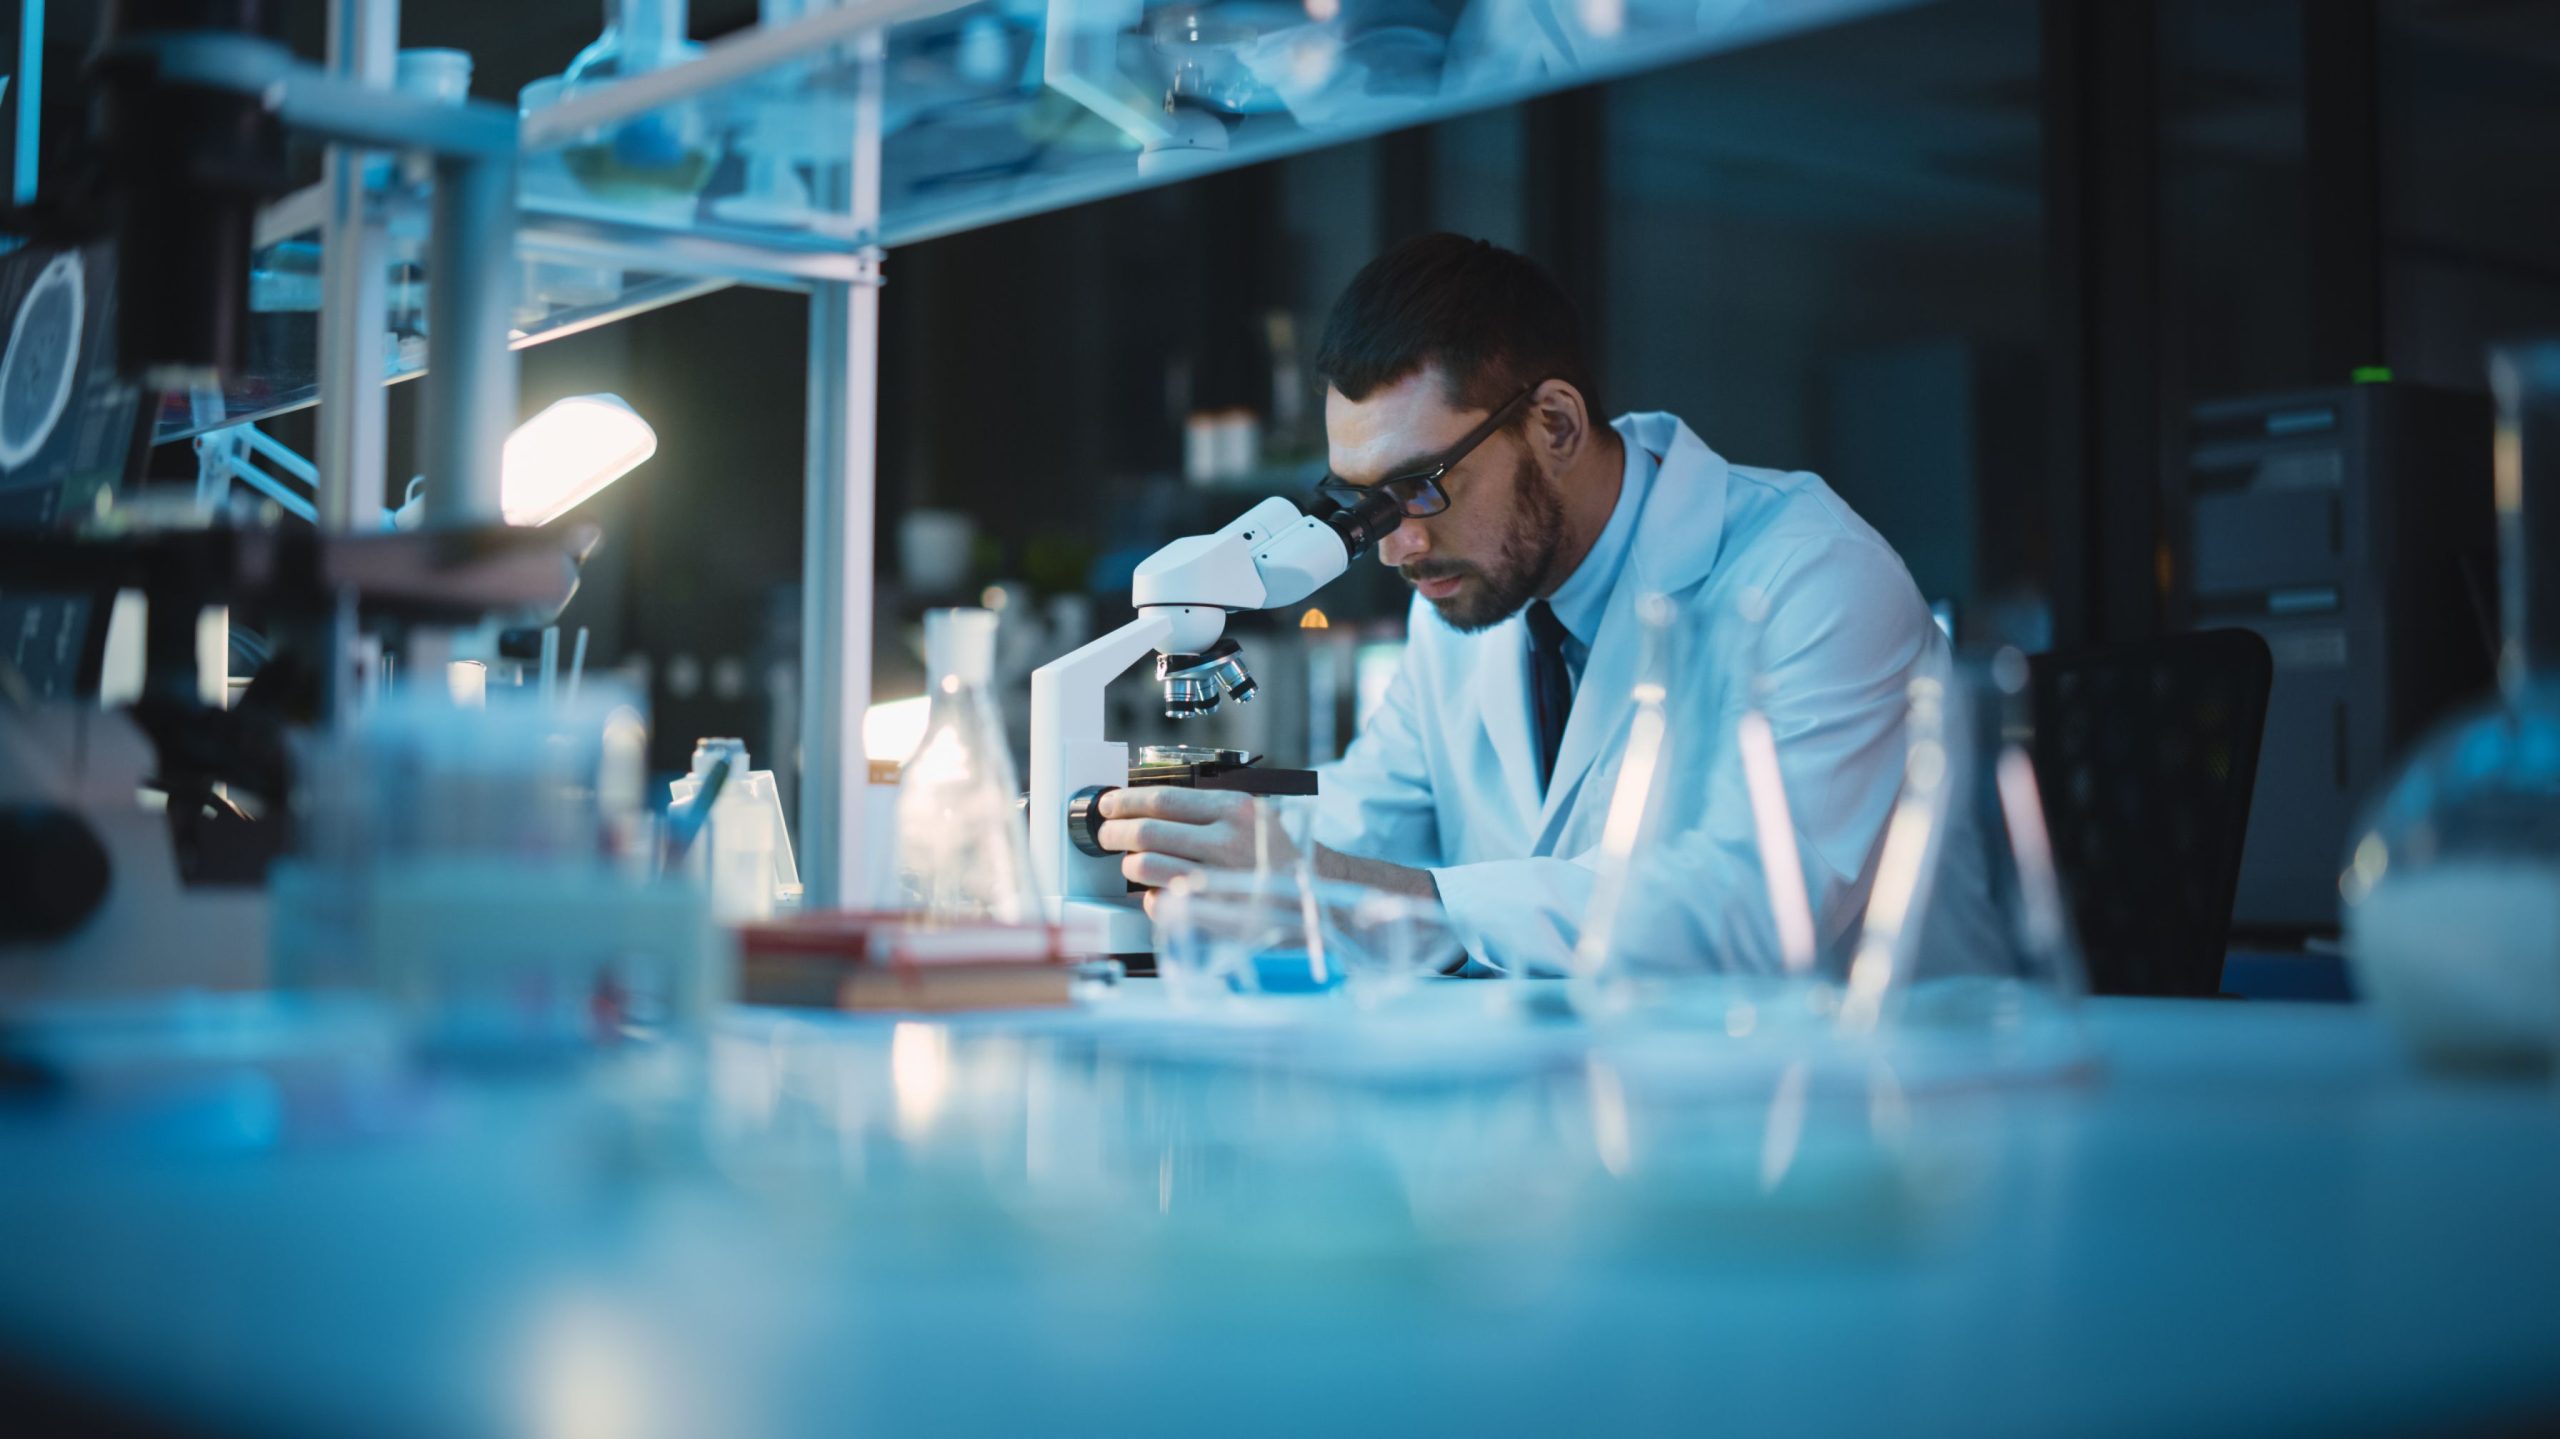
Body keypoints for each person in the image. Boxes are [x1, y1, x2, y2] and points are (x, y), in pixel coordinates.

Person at [1094, 233, 1944, 974]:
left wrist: (1338, 885)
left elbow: (1753, 912)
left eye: (1417, 488)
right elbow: (1361, 819)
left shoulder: (1815, 579)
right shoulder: (1462, 602)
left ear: (1557, 426)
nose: (1394, 546)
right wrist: (1180, 843)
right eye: (1360, 503)